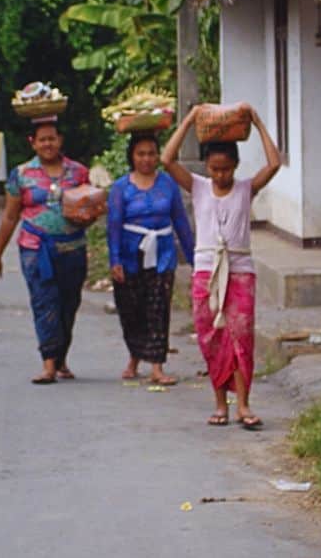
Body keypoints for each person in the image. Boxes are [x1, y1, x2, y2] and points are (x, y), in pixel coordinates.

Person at [162, 104, 281, 429]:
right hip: (206, 270)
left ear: (235, 166)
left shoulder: (246, 189)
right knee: (211, 337)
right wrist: (189, 119)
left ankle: (243, 404)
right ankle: (220, 404)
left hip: (240, 271)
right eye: (214, 169)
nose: (220, 175)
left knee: (241, 337)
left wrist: (257, 121)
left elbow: (274, 163)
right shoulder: (198, 187)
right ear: (207, 168)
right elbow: (167, 160)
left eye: (226, 169)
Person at [0, 118, 90, 384]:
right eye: (42, 139)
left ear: (60, 140)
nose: (48, 144)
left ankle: (60, 358)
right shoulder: (21, 175)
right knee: (44, 302)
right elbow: (10, 217)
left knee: (69, 305)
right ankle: (48, 364)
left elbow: (91, 207)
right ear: (32, 142)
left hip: (73, 248)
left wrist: (88, 216)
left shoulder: (78, 173)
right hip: (35, 248)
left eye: (52, 138)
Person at [107, 132, 195, 385]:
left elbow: (180, 222)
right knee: (131, 308)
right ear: (132, 157)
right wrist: (115, 260)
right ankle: (135, 357)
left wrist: (193, 258)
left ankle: (157, 366)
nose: (146, 159)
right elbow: (113, 226)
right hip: (130, 253)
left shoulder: (167, 184)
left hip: (162, 253)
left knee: (158, 307)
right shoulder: (121, 188)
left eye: (151, 153)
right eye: (141, 154)